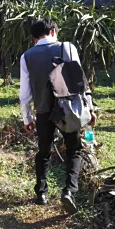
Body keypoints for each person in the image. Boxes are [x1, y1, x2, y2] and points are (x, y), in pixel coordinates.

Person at [19, 19, 96, 214]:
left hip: (43, 110)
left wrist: (27, 118)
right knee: (74, 150)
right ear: (53, 31)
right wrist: (90, 107)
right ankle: (69, 190)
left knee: (43, 152)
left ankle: (41, 193)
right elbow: (80, 79)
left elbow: (25, 92)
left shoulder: (26, 56)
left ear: (34, 38)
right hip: (68, 108)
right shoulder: (67, 47)